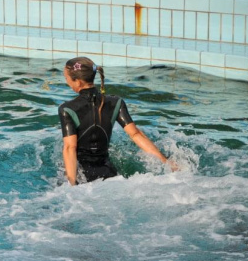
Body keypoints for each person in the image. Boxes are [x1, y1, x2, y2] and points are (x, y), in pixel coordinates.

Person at [58, 57, 174, 185]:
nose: (67, 82)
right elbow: (136, 134)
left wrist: (71, 184)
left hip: (83, 176)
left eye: (67, 78)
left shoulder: (67, 109)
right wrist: (166, 162)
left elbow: (70, 147)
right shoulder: (116, 102)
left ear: (78, 82)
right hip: (110, 174)